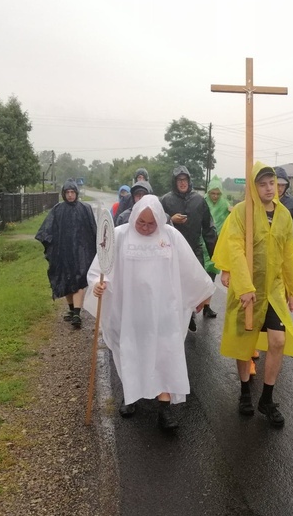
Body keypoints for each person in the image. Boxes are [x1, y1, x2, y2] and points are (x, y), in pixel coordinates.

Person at [85, 195, 215, 430]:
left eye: (151, 223)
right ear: (133, 216)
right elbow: (101, 267)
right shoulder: (121, 235)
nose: (145, 228)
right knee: (132, 353)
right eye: (141, 223)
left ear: (159, 220)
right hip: (131, 311)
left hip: (164, 310)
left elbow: (189, 268)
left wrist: (202, 294)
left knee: (165, 354)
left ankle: (164, 408)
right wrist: (97, 284)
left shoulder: (170, 237)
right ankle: (132, 395)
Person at [212, 162, 293, 427]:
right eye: (262, 184)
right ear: (253, 186)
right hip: (247, 289)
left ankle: (267, 398)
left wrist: (291, 289)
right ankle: (245, 391)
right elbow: (235, 249)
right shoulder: (242, 213)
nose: (269, 188)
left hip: (272, 290)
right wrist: (244, 286)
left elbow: (288, 255)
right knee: (244, 342)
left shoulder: (284, 215)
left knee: (277, 341)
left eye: (271, 183)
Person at [160, 166, 217, 333]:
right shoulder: (165, 200)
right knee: (174, 285)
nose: (183, 183)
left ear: (189, 181)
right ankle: (175, 316)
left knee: (194, 283)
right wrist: (170, 219)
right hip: (171, 250)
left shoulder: (199, 200)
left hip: (194, 249)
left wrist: (216, 254)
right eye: (179, 180)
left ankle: (191, 313)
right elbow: (155, 221)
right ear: (175, 182)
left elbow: (208, 228)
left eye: (185, 180)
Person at [35, 179, 97, 329]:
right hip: (63, 251)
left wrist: (95, 249)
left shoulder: (85, 208)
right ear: (64, 194)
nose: (70, 195)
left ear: (76, 193)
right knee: (66, 280)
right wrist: (50, 244)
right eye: (67, 192)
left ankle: (77, 312)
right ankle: (71, 310)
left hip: (82, 252)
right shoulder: (58, 210)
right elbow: (46, 230)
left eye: (72, 192)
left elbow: (93, 230)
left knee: (79, 280)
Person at [201, 175, 232, 319]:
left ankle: (206, 307)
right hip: (201, 244)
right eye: (212, 193)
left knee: (210, 277)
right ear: (208, 192)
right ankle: (194, 306)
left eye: (218, 194)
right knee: (199, 278)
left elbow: (234, 216)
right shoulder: (201, 203)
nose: (215, 196)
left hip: (216, 246)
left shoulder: (224, 205)